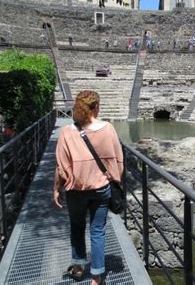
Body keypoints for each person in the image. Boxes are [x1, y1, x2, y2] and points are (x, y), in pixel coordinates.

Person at [54, 90, 123, 285]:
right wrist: (115, 179)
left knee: (77, 227)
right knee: (98, 230)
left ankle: (77, 267)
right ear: (97, 107)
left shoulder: (67, 132)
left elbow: (61, 165)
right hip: (101, 189)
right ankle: (96, 277)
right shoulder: (108, 129)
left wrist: (56, 188)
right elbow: (118, 160)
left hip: (75, 190)